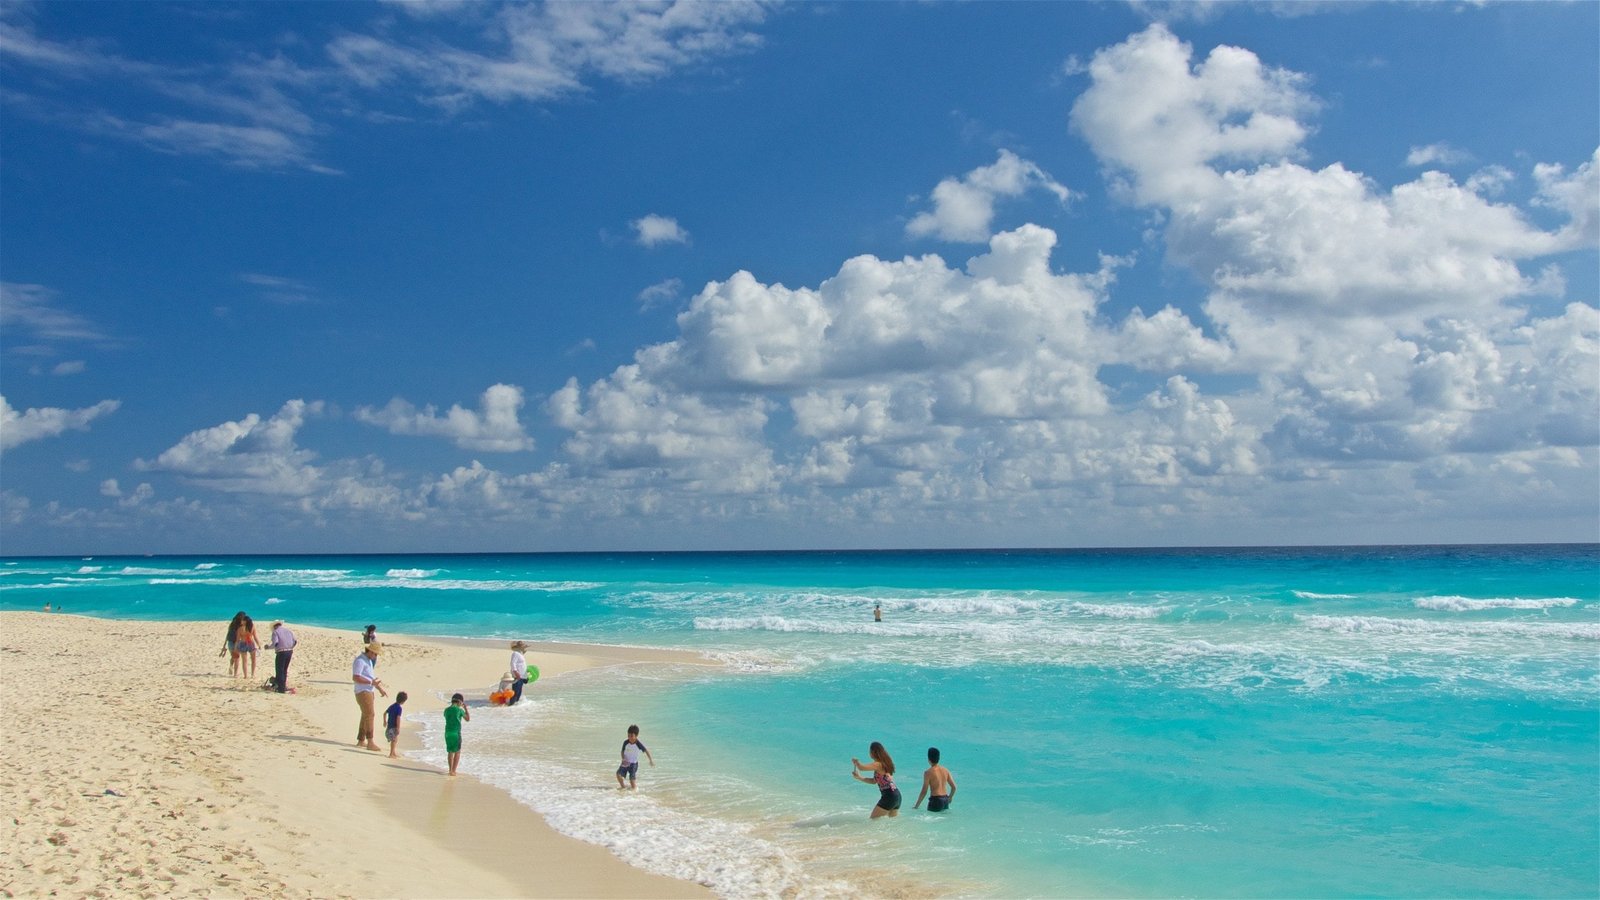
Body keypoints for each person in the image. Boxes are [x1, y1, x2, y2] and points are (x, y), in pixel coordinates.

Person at [352, 642, 387, 751]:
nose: (376, 656)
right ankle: (370, 742)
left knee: (365, 715)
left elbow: (370, 677)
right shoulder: (360, 661)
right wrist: (371, 683)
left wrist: (380, 688)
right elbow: (356, 677)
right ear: (370, 651)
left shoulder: (368, 661)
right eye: (375, 654)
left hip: (368, 691)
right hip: (363, 691)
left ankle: (361, 740)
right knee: (370, 715)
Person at [852, 741, 900, 818]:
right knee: (891, 822)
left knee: (873, 820)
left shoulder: (878, 764)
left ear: (873, 752)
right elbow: (874, 781)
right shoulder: (885, 763)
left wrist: (856, 762)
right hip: (896, 796)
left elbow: (861, 768)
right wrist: (859, 777)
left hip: (889, 796)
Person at [913, 746, 957, 812]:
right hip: (945, 800)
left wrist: (916, 806)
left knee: (930, 818)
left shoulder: (928, 772)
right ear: (939, 758)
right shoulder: (945, 770)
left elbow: (924, 791)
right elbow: (954, 787)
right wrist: (950, 797)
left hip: (936, 800)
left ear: (928, 759)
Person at [616, 724, 654, 790]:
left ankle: (634, 792)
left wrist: (650, 760)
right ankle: (623, 787)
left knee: (632, 780)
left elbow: (646, 751)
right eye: (628, 735)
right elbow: (622, 751)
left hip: (633, 764)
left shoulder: (638, 744)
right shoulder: (625, 742)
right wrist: (623, 758)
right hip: (625, 762)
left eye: (631, 736)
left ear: (636, 736)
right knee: (618, 774)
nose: (630, 738)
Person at [267, 620, 297, 693]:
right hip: (289, 651)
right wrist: (290, 647)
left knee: (279, 670)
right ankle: (283, 685)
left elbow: (275, 643)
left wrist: (268, 647)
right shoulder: (288, 631)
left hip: (281, 652)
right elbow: (295, 641)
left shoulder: (275, 632)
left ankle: (281, 688)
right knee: (284, 670)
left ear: (274, 626)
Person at [444, 693, 469, 776]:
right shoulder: (459, 710)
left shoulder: (446, 710)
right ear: (460, 702)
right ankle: (453, 771)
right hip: (456, 733)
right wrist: (465, 709)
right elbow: (467, 719)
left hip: (447, 733)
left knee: (450, 752)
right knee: (457, 752)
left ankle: (450, 770)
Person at [234, 614, 259, 680]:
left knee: (244, 661)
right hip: (251, 643)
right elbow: (255, 637)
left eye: (242, 620)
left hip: (243, 643)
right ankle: (252, 674)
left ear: (245, 621)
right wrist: (258, 644)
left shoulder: (240, 628)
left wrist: (235, 647)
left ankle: (245, 676)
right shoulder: (252, 627)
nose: (241, 621)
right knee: (253, 660)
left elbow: (237, 640)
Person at [384, 691, 408, 759]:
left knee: (395, 740)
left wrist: (384, 722)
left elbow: (384, 713)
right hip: (394, 727)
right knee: (394, 740)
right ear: (403, 701)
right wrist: (398, 728)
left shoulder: (392, 706)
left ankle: (393, 752)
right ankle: (391, 754)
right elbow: (398, 718)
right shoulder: (399, 708)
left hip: (389, 727)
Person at [223, 611, 247, 676]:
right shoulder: (241, 625)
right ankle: (235, 673)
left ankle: (231, 666)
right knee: (237, 658)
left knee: (234, 657)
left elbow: (227, 635)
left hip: (230, 642)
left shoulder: (231, 624)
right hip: (237, 642)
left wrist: (224, 645)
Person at [508, 641, 529, 706]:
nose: (524, 648)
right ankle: (510, 706)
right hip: (517, 675)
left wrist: (526, 675)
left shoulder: (520, 654)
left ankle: (515, 706)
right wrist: (516, 672)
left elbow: (522, 665)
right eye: (523, 647)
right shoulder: (515, 653)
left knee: (519, 691)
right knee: (515, 691)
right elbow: (512, 663)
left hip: (522, 675)